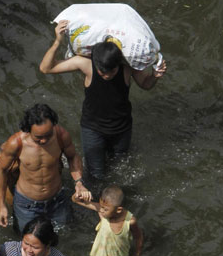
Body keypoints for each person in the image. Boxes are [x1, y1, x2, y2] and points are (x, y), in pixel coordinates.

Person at [39, 22, 167, 180]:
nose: (107, 76)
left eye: (112, 71)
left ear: (118, 65)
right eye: (102, 72)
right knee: (96, 174)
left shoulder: (127, 67)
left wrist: (155, 76)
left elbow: (146, 84)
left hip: (122, 128)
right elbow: (46, 68)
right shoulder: (85, 65)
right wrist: (57, 41)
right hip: (93, 129)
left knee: (120, 168)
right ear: (96, 63)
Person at [0, 103, 92, 232]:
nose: (44, 141)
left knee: (68, 231)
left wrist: (79, 182)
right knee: (26, 237)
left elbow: (73, 156)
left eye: (48, 135)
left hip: (57, 200)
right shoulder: (16, 143)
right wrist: (1, 205)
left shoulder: (61, 135)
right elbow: (1, 170)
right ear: (28, 130)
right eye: (38, 138)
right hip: (26, 204)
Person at [72, 184, 143, 256]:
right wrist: (78, 195)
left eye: (105, 209)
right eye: (101, 207)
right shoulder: (103, 211)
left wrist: (137, 253)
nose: (101, 210)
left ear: (119, 210)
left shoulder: (130, 221)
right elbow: (75, 200)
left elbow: (138, 237)